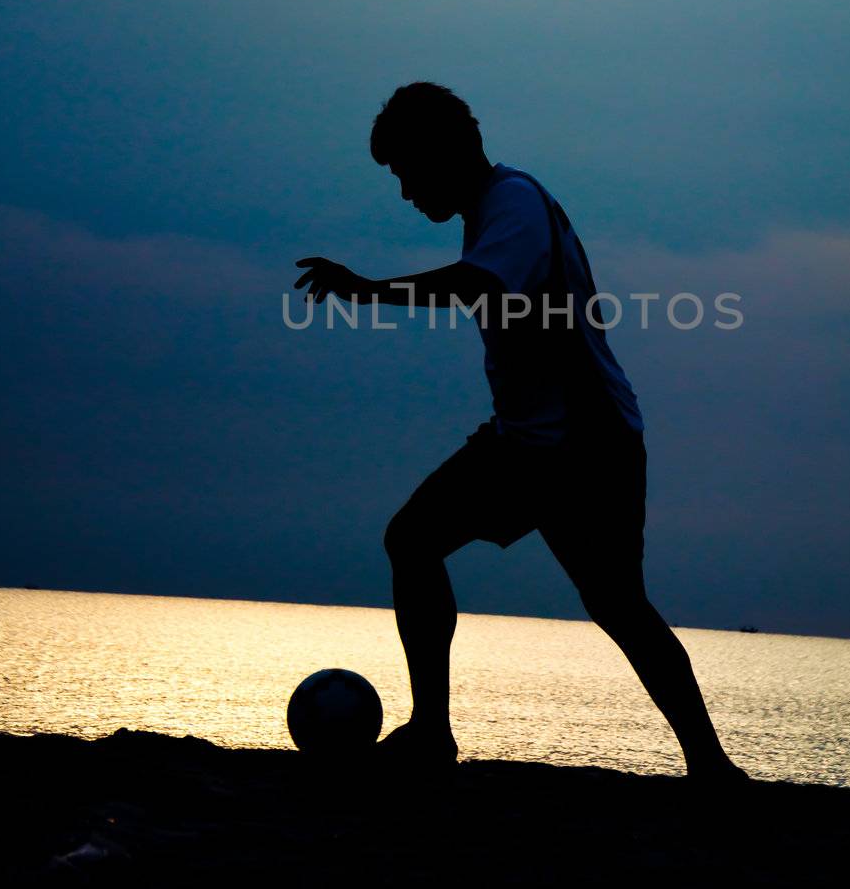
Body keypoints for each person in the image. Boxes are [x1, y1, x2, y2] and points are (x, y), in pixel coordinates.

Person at [294, 81, 748, 788]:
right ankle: (432, 734)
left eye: (408, 172)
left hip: (585, 446)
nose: (406, 192)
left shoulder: (512, 203)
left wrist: (367, 289)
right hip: (529, 442)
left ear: (447, 152)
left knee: (616, 604)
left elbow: (480, 286)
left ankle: (710, 767)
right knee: (413, 540)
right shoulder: (492, 211)